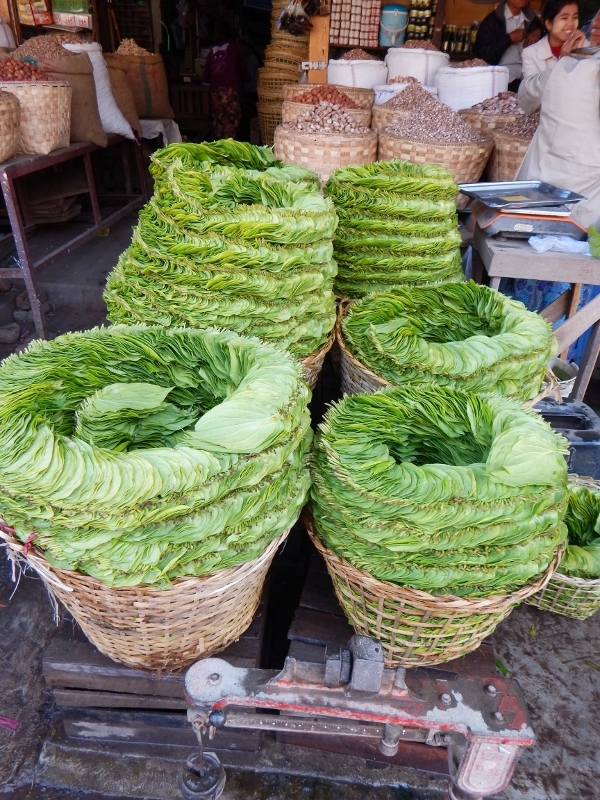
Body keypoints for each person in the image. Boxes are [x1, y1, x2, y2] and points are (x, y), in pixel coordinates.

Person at [473, 0, 543, 90]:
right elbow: (481, 56)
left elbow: (550, 35)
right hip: (501, 82)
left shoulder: (534, 20)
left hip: (529, 81)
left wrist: (539, 32)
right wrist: (509, 38)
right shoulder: (492, 21)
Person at [203, 22, 249, 140]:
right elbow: (245, 74)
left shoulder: (212, 51)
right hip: (230, 91)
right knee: (231, 123)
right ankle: (228, 147)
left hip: (215, 93)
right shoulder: (236, 49)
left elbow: (206, 77)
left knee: (219, 123)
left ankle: (221, 146)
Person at [522, 0, 587, 79]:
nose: (571, 23)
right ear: (549, 24)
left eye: (575, 17)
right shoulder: (530, 54)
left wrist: (579, 52)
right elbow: (533, 86)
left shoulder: (586, 46)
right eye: (564, 18)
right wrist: (563, 60)